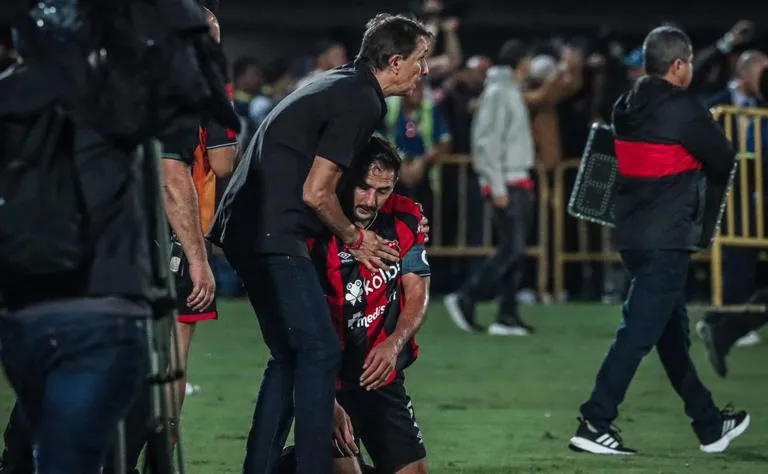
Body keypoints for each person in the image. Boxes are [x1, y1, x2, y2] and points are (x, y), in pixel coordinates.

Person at [207, 13, 433, 474]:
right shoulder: (361, 100)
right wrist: (355, 237)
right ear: (394, 62)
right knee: (320, 350)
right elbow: (316, 191)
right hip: (274, 231)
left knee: (290, 355)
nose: (424, 70)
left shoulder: (339, 82)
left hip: (246, 227)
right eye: (420, 59)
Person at [568, 26, 749, 455]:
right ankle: (595, 420)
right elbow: (723, 157)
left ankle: (708, 424)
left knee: (671, 337)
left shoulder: (625, 104)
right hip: (667, 238)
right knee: (638, 332)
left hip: (633, 237)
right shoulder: (686, 109)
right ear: (679, 66)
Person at [276, 136, 431, 474]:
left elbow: (417, 292)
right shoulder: (314, 231)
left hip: (381, 376)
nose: (371, 200)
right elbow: (295, 321)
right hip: (329, 379)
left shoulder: (406, 217)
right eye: (364, 187)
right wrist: (322, 397)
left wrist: (394, 343)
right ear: (346, 178)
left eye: (383, 190)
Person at [443, 39, 536, 336]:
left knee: (514, 251)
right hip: (506, 181)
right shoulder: (498, 93)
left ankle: (506, 315)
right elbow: (485, 143)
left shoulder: (507, 91)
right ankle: (466, 296)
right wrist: (496, 186)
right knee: (512, 249)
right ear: (521, 62)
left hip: (516, 178)